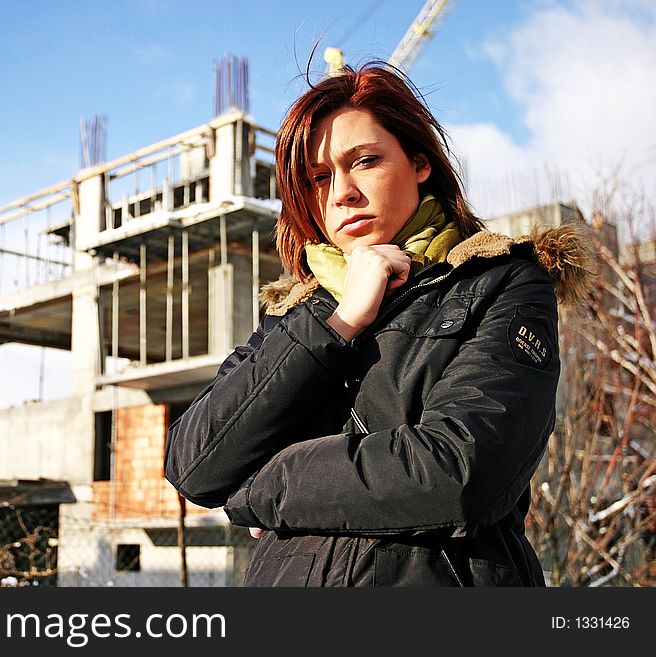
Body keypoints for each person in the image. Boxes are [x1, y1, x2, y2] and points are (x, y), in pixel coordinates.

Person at [164, 62, 592, 586]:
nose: (341, 193)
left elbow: (458, 472)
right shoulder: (298, 312)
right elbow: (192, 463)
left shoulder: (501, 283)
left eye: (364, 161)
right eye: (319, 178)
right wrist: (340, 322)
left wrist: (261, 486)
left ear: (419, 163)